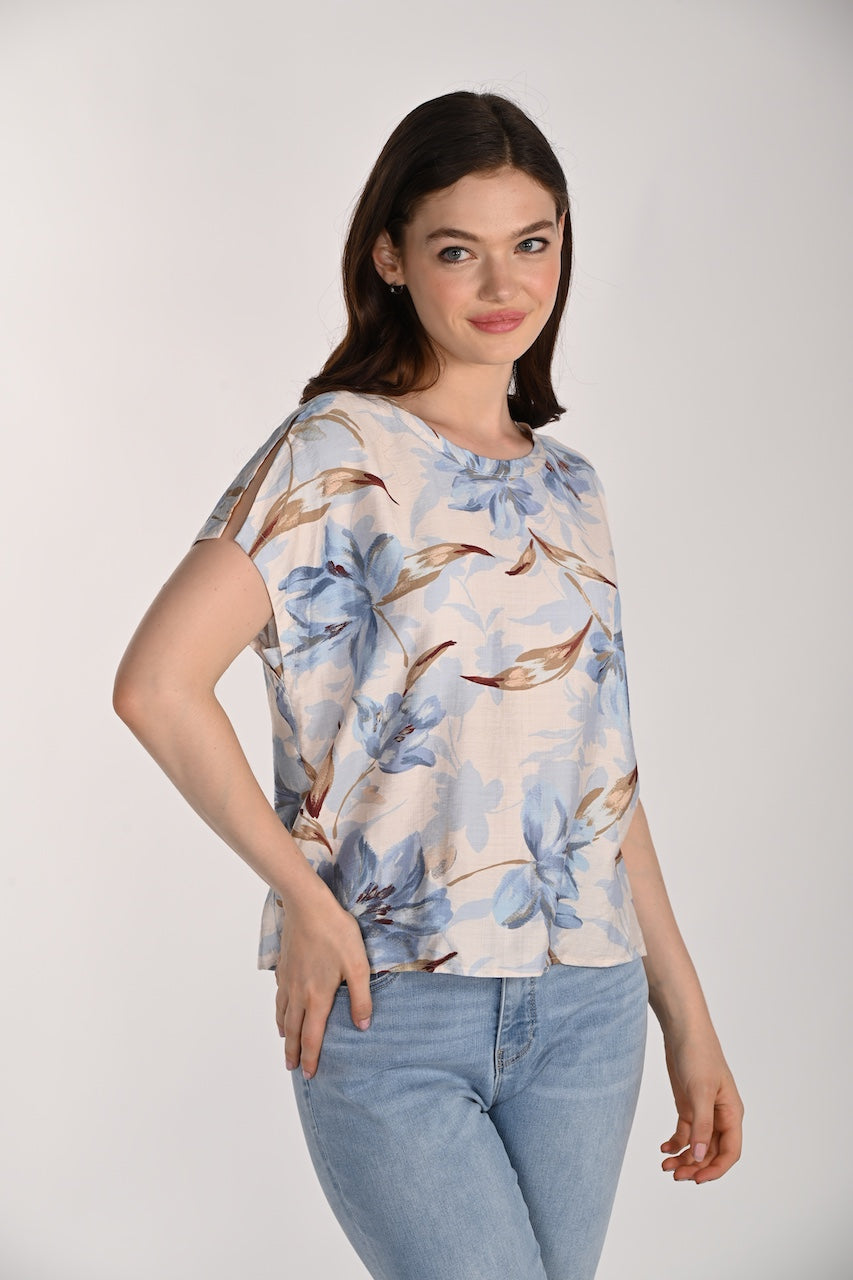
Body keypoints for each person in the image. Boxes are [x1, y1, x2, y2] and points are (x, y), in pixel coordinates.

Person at [113, 90, 743, 1280]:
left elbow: (601, 775)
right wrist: (306, 899)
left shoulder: (572, 488)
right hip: (392, 1003)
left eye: (531, 242)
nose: (503, 283)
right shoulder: (332, 451)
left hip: (588, 1003)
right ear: (391, 258)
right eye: (458, 249)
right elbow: (156, 684)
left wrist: (688, 1016)